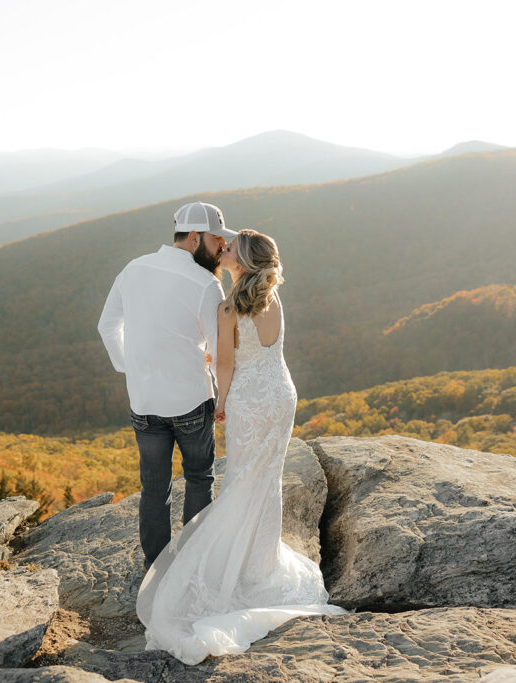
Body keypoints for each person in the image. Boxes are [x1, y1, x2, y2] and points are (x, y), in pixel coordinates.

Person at [136, 229, 346, 665]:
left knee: (239, 482)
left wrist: (221, 403)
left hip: (250, 398)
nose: (224, 250)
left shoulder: (229, 306)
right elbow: (265, 350)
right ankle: (260, 567)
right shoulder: (272, 297)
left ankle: (232, 570)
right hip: (282, 394)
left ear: (243, 261)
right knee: (265, 481)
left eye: (231, 249)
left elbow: (227, 363)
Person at [97, 201, 237, 570]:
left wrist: (132, 366)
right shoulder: (206, 284)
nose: (222, 247)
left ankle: (155, 570)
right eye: (216, 239)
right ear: (194, 238)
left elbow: (107, 327)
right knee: (198, 478)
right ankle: (192, 566)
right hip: (191, 400)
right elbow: (218, 347)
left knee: (154, 489)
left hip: (144, 402)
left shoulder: (134, 268)